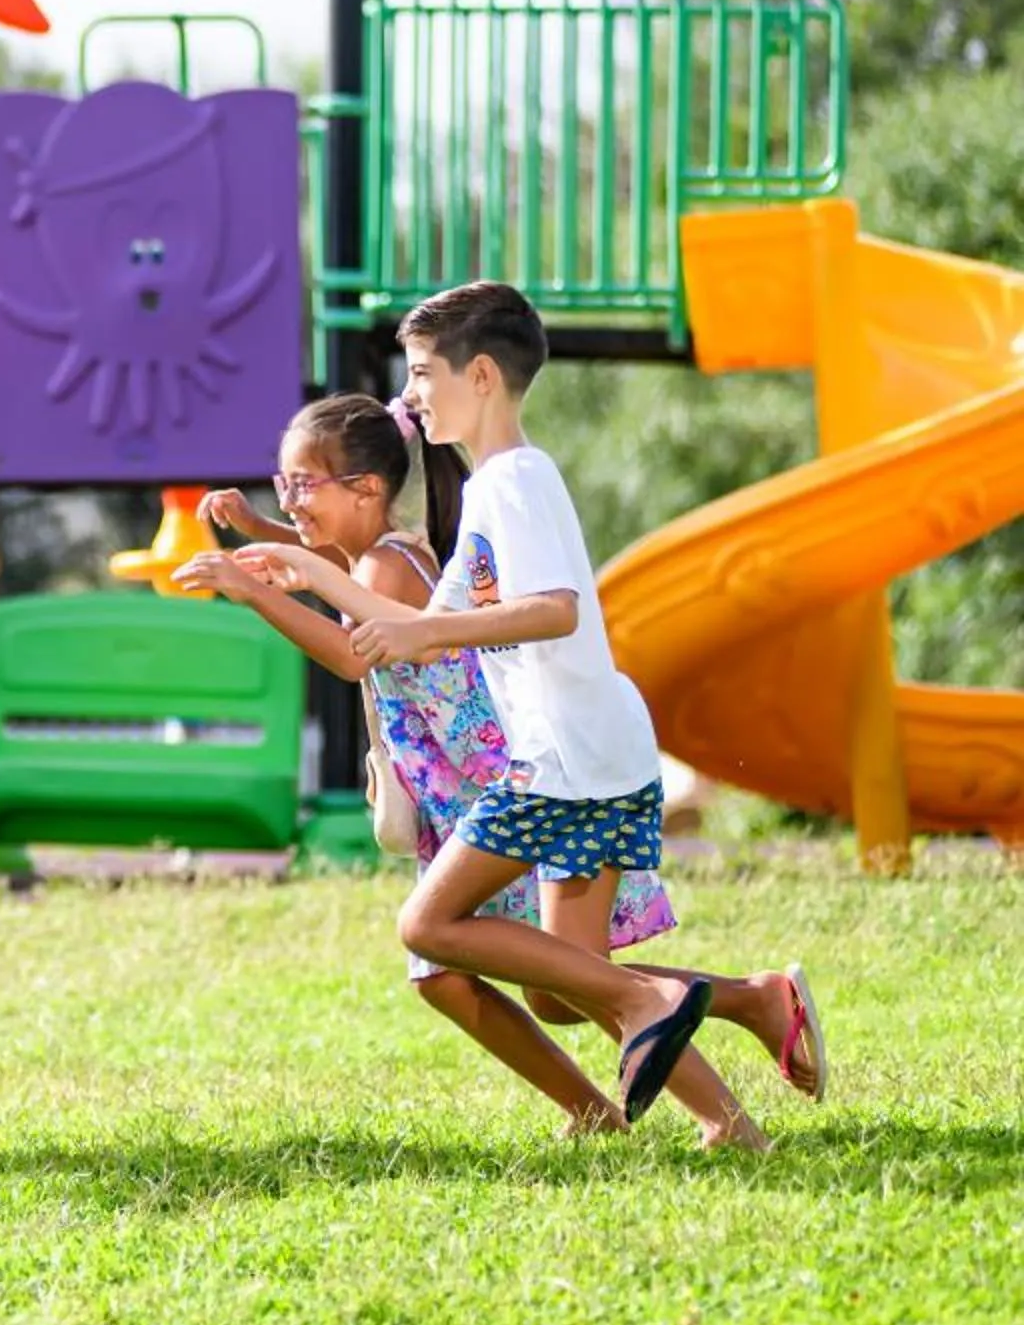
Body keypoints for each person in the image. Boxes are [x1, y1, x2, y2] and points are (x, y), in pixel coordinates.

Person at [219, 284, 828, 1135]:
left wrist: (378, 612)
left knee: (429, 925)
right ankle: (745, 1070)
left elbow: (555, 610)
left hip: (562, 761)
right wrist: (299, 569)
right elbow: (421, 633)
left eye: (424, 373)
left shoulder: (514, 482)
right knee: (555, 986)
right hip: (592, 753)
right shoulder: (492, 489)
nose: (414, 394)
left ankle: (657, 1002)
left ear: (480, 376)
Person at [183, 394, 686, 1138]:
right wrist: (262, 533)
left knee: (557, 980)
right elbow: (328, 563)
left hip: (486, 783)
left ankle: (738, 1012)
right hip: (455, 789)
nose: (289, 503)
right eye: (281, 486)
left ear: (367, 489)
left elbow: (351, 657)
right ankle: (601, 1106)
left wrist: (253, 590)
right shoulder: (374, 554)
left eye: (301, 487)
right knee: (468, 979)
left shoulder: (389, 567)